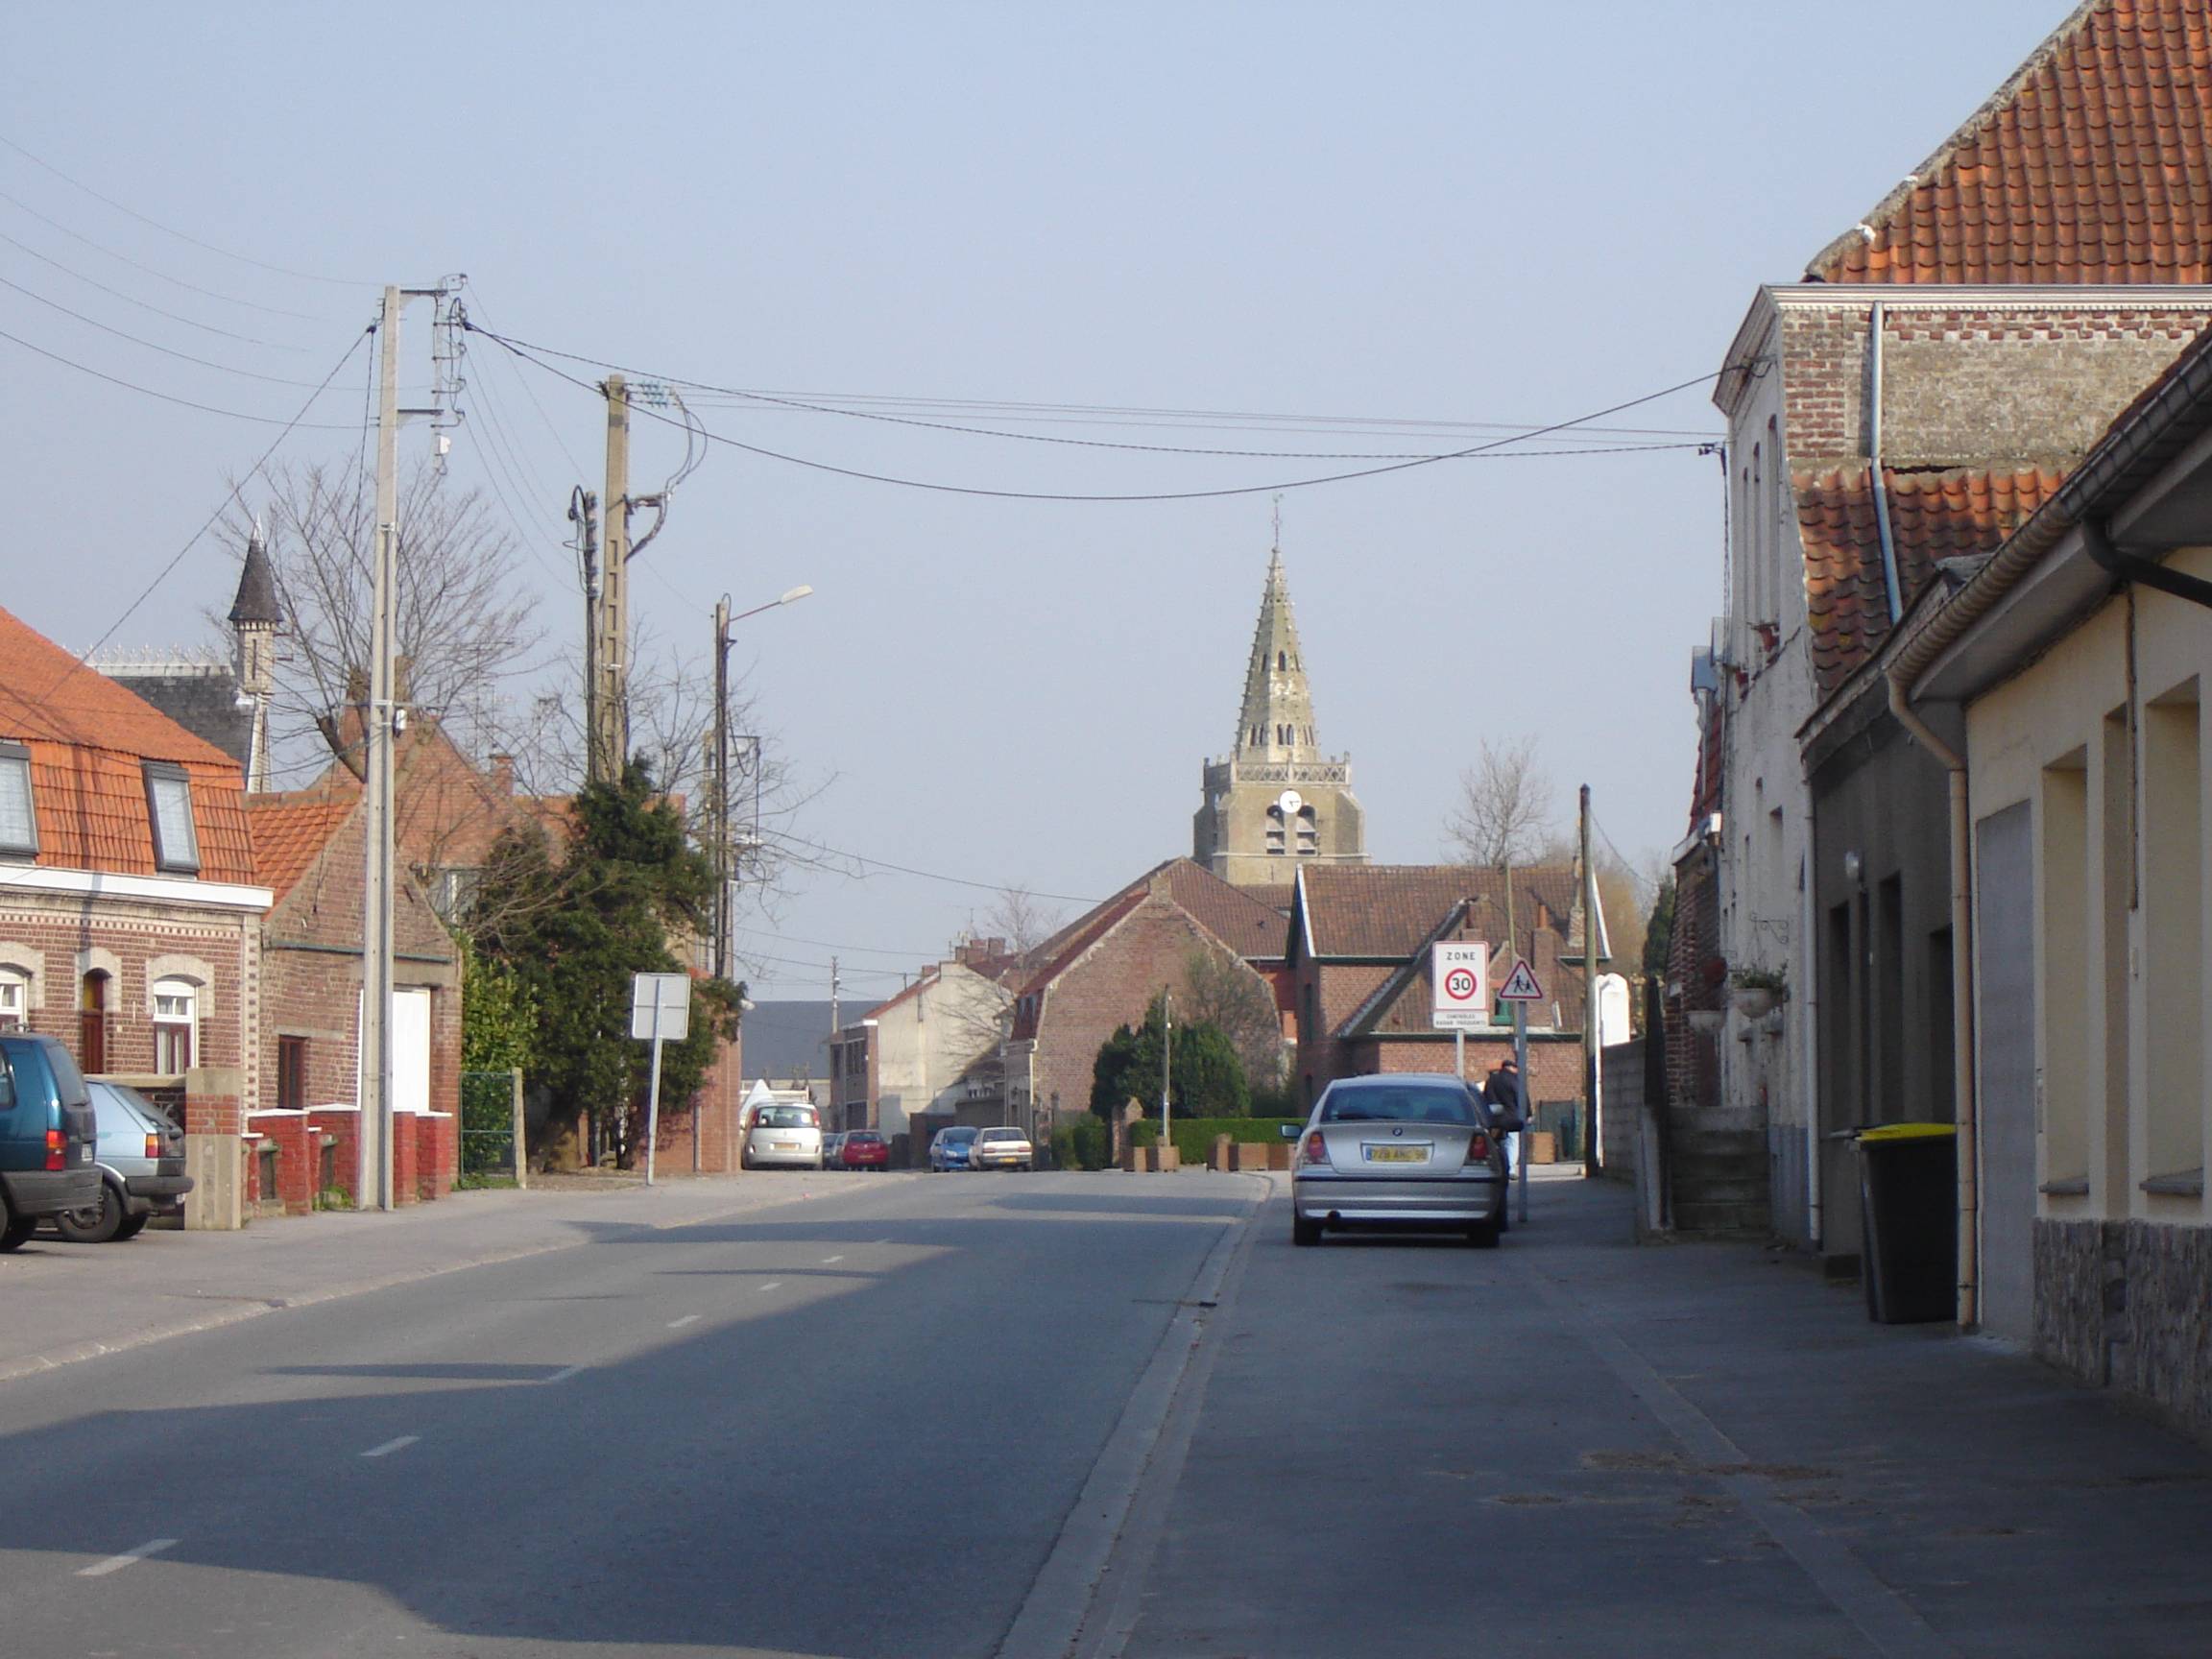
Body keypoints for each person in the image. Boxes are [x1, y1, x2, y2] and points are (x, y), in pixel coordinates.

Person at [1481, 1057, 1527, 1183]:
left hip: (1495, 1117)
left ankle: (1498, 1166)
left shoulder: (1491, 1080)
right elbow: (1521, 1096)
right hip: (1511, 1116)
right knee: (1512, 1141)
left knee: (1496, 1142)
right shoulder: (1513, 1080)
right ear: (1512, 1068)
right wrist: (1527, 1113)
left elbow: (1486, 1097)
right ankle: (1510, 1169)